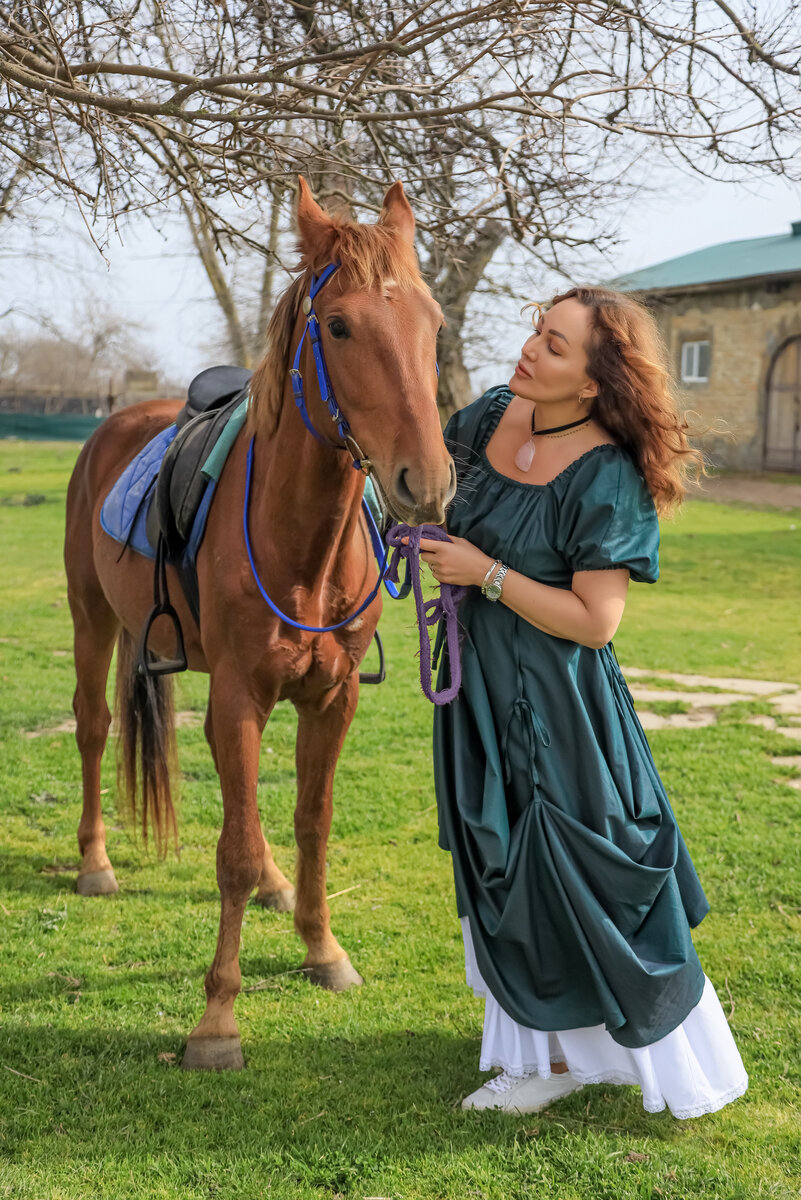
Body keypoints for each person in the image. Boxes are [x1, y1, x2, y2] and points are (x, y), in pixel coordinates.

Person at [421, 286, 748, 1118]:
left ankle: (601, 1058)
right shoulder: (486, 417)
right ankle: (545, 1052)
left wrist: (482, 574)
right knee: (497, 858)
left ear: (595, 382)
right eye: (536, 332)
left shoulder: (605, 473)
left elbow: (595, 622)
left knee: (580, 868)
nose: (529, 349)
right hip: (480, 694)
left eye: (555, 346)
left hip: (560, 708)